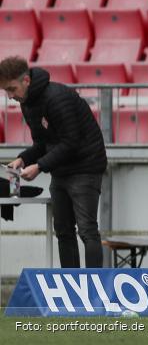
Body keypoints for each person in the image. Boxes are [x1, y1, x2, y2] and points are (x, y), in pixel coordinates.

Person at [1, 56, 107, 268]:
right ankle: (70, 288)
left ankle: (95, 290)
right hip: (62, 169)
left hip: (86, 167)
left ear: (26, 81)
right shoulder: (28, 103)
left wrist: (40, 166)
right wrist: (23, 159)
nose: (10, 96)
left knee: (87, 230)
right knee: (63, 231)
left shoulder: (57, 98)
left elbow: (71, 142)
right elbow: (42, 143)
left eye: (12, 89)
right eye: (6, 91)